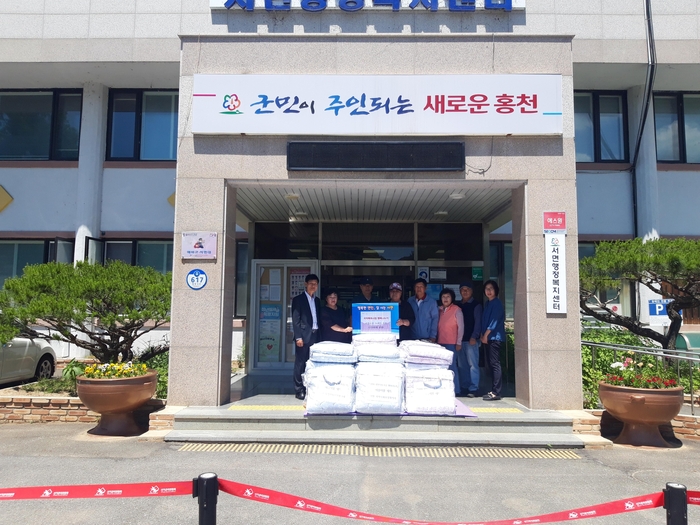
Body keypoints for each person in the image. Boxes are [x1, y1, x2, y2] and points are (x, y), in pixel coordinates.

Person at [291, 274, 322, 400]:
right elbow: (296, 320)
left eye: (315, 284)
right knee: (300, 363)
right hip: (303, 337)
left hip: (315, 335)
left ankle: (310, 387)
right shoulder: (298, 299)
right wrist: (298, 337)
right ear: (306, 284)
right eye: (311, 284)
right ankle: (299, 389)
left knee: (312, 363)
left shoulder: (317, 300)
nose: (313, 286)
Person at [480, 279, 506, 401]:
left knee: (495, 364)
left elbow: (493, 322)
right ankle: (493, 390)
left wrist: (486, 335)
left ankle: (496, 392)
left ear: (496, 290)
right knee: (491, 364)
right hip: (487, 338)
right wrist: (483, 334)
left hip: (494, 338)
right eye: (487, 289)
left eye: (491, 289)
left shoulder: (497, 303)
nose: (488, 291)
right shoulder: (488, 303)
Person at [457, 281, 482, 398]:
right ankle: (465, 386)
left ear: (472, 291)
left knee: (473, 365)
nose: (465, 291)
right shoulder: (458, 306)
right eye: (463, 289)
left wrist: (474, 336)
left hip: (471, 340)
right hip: (460, 341)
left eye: (467, 289)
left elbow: (478, 322)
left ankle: (474, 388)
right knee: (462, 366)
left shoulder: (476, 305)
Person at [436, 288, 463, 395]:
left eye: (448, 297)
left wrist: (459, 342)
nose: (445, 299)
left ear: (452, 298)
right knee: (442, 368)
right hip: (440, 343)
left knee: (452, 367)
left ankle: (456, 390)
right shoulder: (439, 310)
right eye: (443, 297)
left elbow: (461, 328)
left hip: (452, 343)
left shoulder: (457, 310)